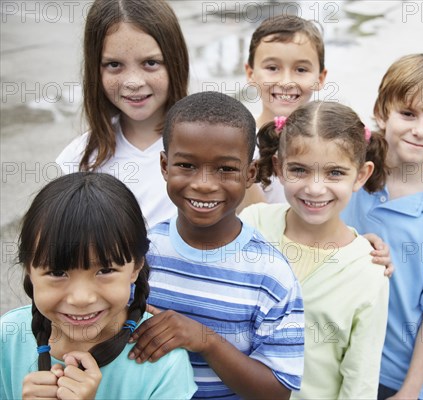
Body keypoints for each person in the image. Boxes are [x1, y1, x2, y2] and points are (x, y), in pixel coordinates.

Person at [127, 91, 304, 399]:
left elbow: (277, 392)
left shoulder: (271, 274)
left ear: (250, 173)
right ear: (165, 166)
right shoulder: (140, 254)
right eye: (186, 165)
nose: (205, 184)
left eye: (225, 169)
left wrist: (205, 340)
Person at [340, 54, 423, 400]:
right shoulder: (348, 174)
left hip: (393, 377)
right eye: (408, 113)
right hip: (331, 356)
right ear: (382, 110)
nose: (420, 130)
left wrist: (411, 391)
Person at [239, 101, 390, 398]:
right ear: (279, 168)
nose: (315, 188)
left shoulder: (368, 270)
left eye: (335, 173)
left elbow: (360, 379)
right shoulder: (252, 226)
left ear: (360, 175)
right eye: (300, 170)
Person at [0, 172, 196, 399]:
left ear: (135, 267)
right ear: (28, 270)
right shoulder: (7, 339)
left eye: (105, 271)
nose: (81, 298)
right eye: (57, 272)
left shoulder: (163, 363)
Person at [56, 0, 189, 228]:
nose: (133, 82)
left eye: (150, 63)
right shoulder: (77, 161)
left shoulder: (216, 143)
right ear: (95, 69)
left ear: (176, 62)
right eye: (114, 65)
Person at [243, 14, 327, 204]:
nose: (287, 82)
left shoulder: (329, 142)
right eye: (272, 68)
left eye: (301, 70)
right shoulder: (237, 141)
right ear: (251, 73)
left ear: (320, 78)